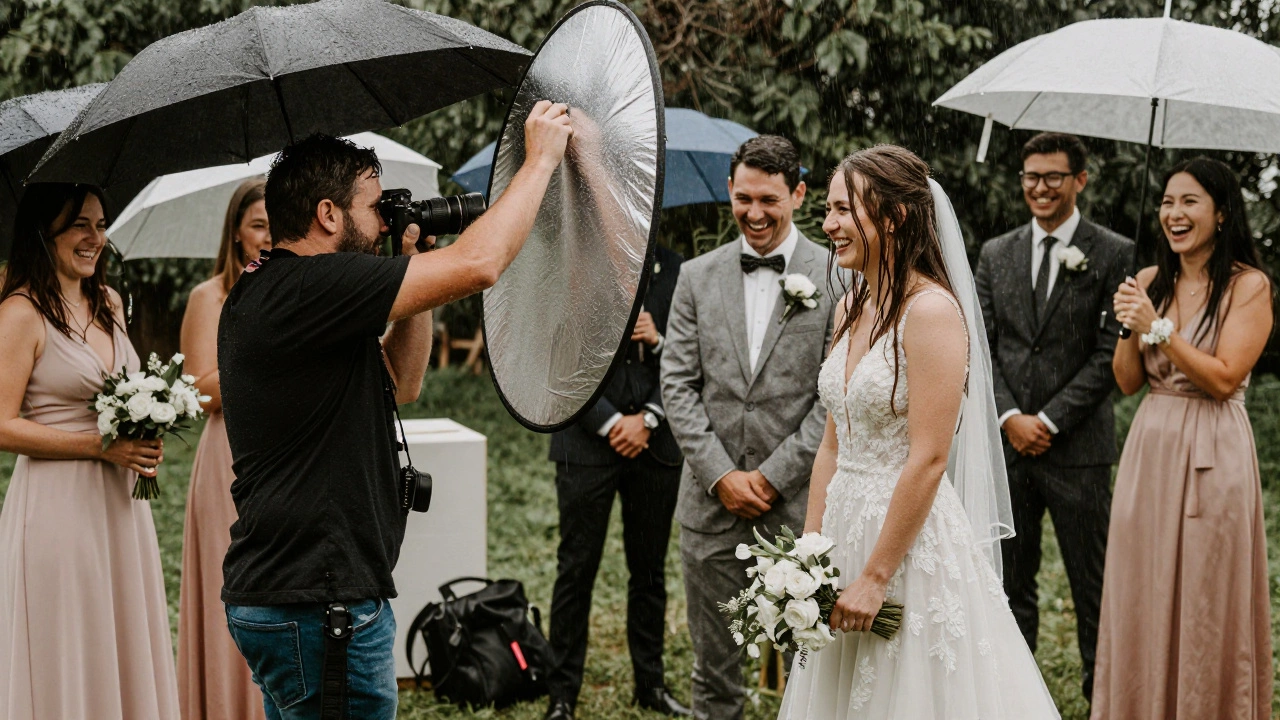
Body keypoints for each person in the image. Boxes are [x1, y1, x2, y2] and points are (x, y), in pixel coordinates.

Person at [217, 101, 572, 720]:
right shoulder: (304, 286)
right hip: (321, 602)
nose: (383, 221)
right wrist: (539, 160)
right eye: (374, 206)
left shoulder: (287, 291)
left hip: (305, 594)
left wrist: (410, 267)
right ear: (328, 214)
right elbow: (480, 264)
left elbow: (402, 383)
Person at [778, 144, 1058, 719]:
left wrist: (875, 576)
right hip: (843, 526)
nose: (827, 225)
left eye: (842, 210)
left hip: (906, 541)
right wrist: (809, 552)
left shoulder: (931, 312)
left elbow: (930, 457)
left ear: (894, 216)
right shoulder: (849, 307)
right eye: (827, 210)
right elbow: (832, 444)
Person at [661, 135, 835, 720]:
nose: (754, 213)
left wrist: (773, 476)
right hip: (711, 507)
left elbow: (834, 398)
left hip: (800, 508)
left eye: (769, 200)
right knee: (714, 670)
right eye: (743, 199)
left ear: (799, 195)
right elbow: (677, 385)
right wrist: (722, 475)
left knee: (811, 670)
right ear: (730, 192)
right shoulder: (696, 276)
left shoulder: (836, 275)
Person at [1094, 157, 1273, 720]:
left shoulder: (1248, 285)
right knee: (1141, 585)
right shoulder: (1150, 281)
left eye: (1190, 201)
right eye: (1167, 201)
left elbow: (1224, 379)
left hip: (1214, 451)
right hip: (1151, 447)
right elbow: (1127, 381)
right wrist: (1130, 325)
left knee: (1206, 590)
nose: (1174, 213)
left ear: (1221, 214)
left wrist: (1157, 328)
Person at [0, 183, 178, 719]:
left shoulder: (109, 303)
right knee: (68, 644)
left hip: (120, 507)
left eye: (100, 225)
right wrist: (102, 446)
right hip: (58, 508)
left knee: (119, 639)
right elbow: (1, 425)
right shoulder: (20, 313)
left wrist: (150, 419)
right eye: (80, 224)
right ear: (44, 232)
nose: (95, 238)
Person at [973, 132, 1132, 701]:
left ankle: (1103, 701)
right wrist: (1010, 416)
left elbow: (1111, 352)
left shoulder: (1114, 251)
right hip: (1008, 450)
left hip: (1080, 450)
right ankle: (1013, 703)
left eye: (1053, 177)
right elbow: (980, 345)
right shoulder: (996, 253)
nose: (1039, 188)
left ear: (1079, 181)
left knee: (1095, 588)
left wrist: (1049, 420)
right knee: (1008, 587)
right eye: (1031, 177)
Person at [543, 244, 689, 720]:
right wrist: (610, 423)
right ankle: (562, 695)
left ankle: (651, 685)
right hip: (586, 444)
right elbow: (561, 359)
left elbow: (694, 356)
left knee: (649, 572)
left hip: (655, 444)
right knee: (575, 569)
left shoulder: (679, 270)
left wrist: (658, 345)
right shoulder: (573, 267)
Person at [176, 177, 271, 720]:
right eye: (258, 225)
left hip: (284, 454)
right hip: (227, 459)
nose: (268, 236)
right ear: (236, 232)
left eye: (277, 225)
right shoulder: (208, 297)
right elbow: (199, 390)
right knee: (229, 585)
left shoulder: (299, 288)